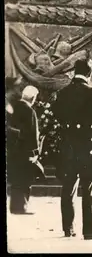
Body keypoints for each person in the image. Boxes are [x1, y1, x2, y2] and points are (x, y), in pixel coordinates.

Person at [52, 59, 92, 240]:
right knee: (88, 186)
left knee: (68, 186)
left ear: (75, 71)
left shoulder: (63, 92)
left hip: (69, 145)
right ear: (89, 73)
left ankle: (68, 228)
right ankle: (89, 229)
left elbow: (56, 114)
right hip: (88, 146)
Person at [8, 85, 40, 215]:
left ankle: (14, 207)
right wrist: (35, 152)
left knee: (16, 179)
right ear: (32, 98)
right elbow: (33, 134)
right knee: (25, 180)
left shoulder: (14, 108)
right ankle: (22, 207)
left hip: (14, 150)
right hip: (26, 151)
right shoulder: (29, 111)